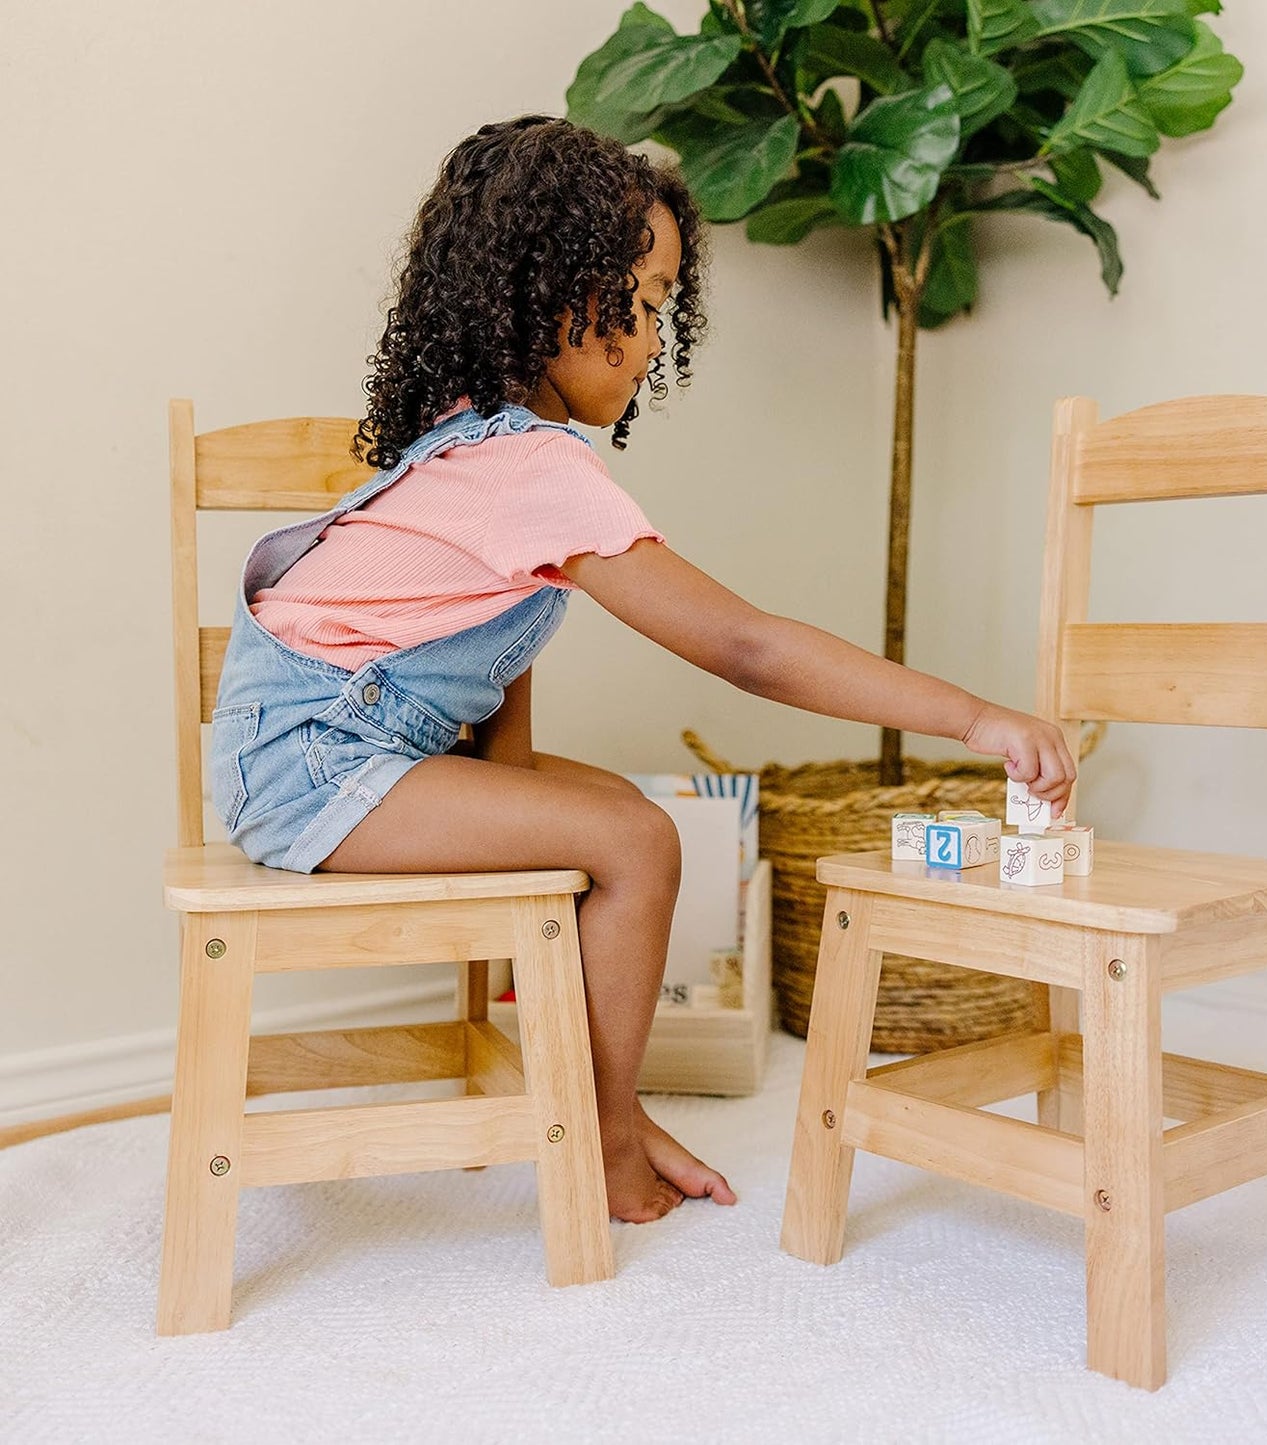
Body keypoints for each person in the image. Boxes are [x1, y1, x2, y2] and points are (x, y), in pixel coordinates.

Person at [210, 116, 1076, 1226]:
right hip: (313, 762)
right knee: (636, 838)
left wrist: (526, 800)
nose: (654, 336)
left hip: (337, 743)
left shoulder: (471, 436)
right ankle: (606, 1134)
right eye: (645, 298)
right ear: (552, 292)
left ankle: (591, 1097)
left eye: (667, 304)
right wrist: (973, 715)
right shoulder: (530, 466)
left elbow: (482, 670)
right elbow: (746, 648)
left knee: (607, 810)